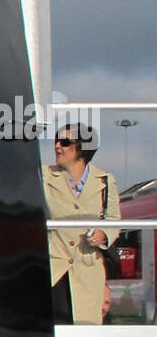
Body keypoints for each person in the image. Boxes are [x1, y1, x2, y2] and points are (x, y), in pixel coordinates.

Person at [43, 124, 120, 324]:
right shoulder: (43, 176)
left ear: (82, 148)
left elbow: (114, 221)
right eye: (56, 141)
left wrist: (103, 235)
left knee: (86, 330)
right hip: (54, 269)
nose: (58, 146)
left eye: (65, 142)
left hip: (88, 270)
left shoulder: (105, 181)